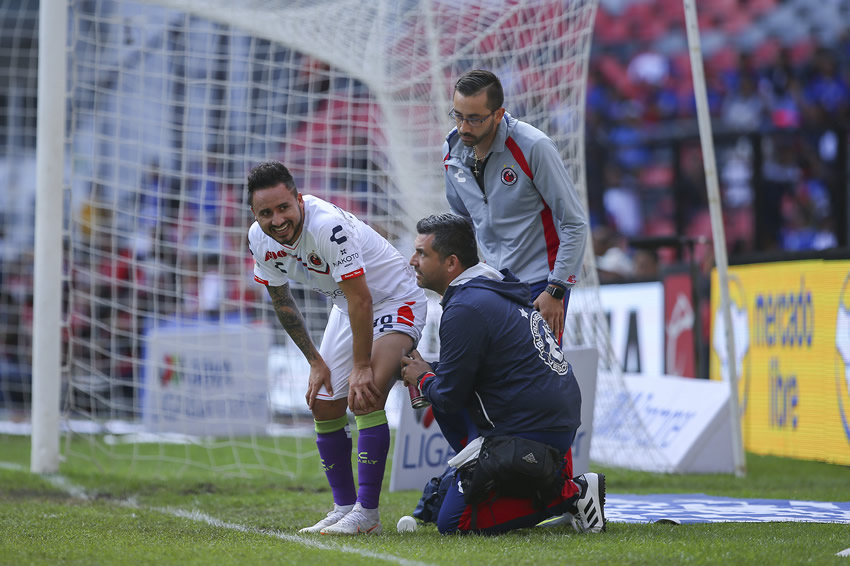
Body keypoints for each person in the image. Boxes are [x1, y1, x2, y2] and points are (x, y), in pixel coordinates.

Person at [246, 161, 427, 535]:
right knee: (323, 402)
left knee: (366, 394)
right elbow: (282, 302)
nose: (277, 220)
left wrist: (360, 366)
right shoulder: (259, 239)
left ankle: (368, 514)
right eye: (266, 213)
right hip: (348, 309)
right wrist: (315, 362)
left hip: (393, 300)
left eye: (283, 208)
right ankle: (343, 506)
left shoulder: (327, 226)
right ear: (254, 215)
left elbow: (364, 299)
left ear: (298, 199)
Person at [400, 213, 605, 535]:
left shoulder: (465, 306)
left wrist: (423, 377)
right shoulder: (489, 289)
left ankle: (571, 494)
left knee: (454, 524)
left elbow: (450, 397)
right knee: (437, 384)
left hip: (533, 429)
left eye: (422, 253)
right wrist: (428, 373)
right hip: (550, 418)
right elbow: (468, 375)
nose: (413, 260)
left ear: (451, 263)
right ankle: (485, 473)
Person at [443, 69, 588, 338]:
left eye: (474, 119)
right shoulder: (452, 150)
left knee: (538, 377)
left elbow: (574, 222)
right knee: (493, 377)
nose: (463, 127)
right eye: (458, 116)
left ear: (498, 114)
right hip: (491, 286)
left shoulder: (534, 146)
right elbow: (461, 220)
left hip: (540, 286)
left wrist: (556, 289)